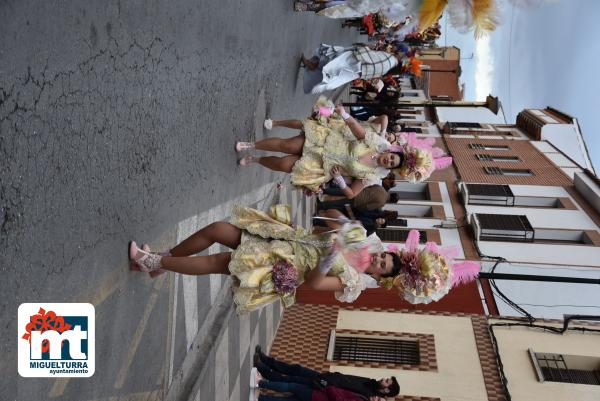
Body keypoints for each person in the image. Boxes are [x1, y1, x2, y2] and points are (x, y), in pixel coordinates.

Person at [129, 204, 401, 314]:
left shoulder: (353, 282)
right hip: (281, 239)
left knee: (218, 262)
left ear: (379, 276)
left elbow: (315, 283)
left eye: (382, 266)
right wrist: (342, 223)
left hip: (278, 266)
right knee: (216, 229)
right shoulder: (361, 236)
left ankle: (151, 262)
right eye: (383, 257)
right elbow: (325, 215)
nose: (378, 260)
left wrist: (331, 257)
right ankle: (164, 260)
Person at [236, 103, 401, 197]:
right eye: (392, 157)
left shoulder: (371, 175)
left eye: (392, 163)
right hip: (325, 142)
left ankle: (255, 159)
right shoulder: (372, 143)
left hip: (319, 166)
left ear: (389, 168)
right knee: (286, 145)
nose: (389, 160)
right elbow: (355, 127)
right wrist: (343, 114)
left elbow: (351, 194)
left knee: (282, 164)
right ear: (390, 151)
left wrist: (339, 180)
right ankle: (251, 144)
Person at [253, 346, 400, 398]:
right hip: (326, 378)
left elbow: (343, 390)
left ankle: (262, 368)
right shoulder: (371, 382)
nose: (384, 379)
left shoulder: (368, 394)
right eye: (387, 378)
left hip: (323, 385)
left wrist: (325, 383)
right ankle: (266, 360)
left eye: (387, 382)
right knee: (296, 369)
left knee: (290, 381)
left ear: (386, 391)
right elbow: (346, 379)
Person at [301, 44, 403, 94]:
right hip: (356, 71)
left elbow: (371, 56)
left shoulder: (390, 59)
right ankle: (311, 65)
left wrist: (363, 48)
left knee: (333, 60)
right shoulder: (387, 70)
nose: (399, 55)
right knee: (332, 69)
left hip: (356, 61)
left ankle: (311, 64)